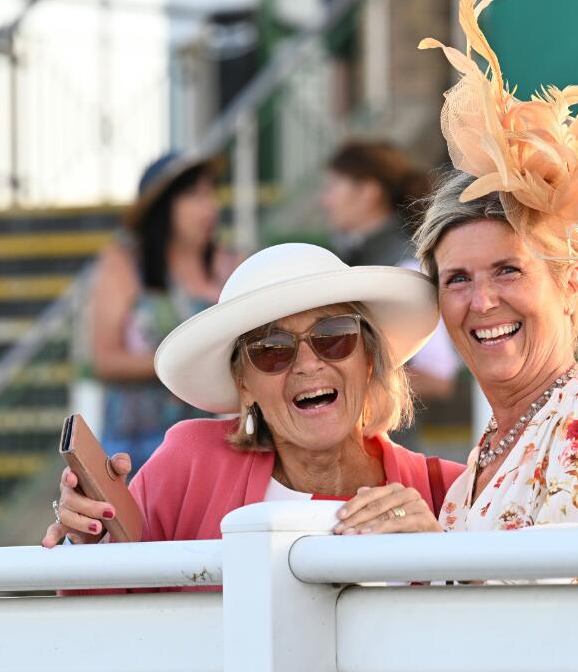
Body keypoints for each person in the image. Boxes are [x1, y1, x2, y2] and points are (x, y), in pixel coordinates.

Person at [334, 0, 578, 537]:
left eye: (508, 270)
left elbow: (574, 607)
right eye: (457, 280)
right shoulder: (469, 479)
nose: (482, 301)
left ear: (569, 285)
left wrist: (430, 558)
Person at [42, 243, 464, 550]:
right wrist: (85, 534)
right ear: (244, 383)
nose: (307, 364)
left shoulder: (450, 490)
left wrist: (439, 564)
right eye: (272, 350)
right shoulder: (190, 463)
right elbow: (107, 601)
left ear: (369, 358)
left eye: (333, 337)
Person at [88, 151, 238, 475]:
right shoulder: (123, 267)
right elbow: (105, 360)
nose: (209, 206)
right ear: (161, 208)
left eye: (211, 192)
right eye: (194, 195)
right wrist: (181, 359)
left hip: (214, 445)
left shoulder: (232, 265)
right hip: (135, 452)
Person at [321, 140, 461, 448]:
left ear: (368, 192)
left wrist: (344, 380)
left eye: (333, 187)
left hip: (388, 458)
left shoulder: (406, 263)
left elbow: (440, 378)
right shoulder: (356, 256)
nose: (325, 200)